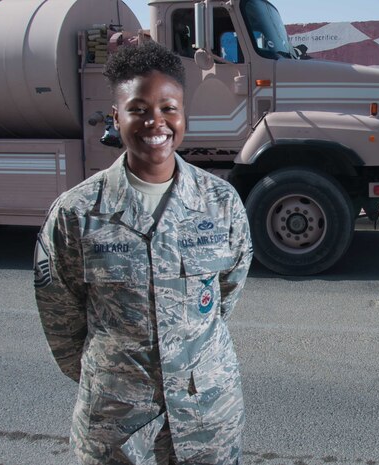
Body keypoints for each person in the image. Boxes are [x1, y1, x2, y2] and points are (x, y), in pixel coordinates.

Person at [33, 41, 252, 465]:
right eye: (139, 108)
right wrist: (115, 376)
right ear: (116, 116)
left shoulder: (220, 203)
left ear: (184, 113)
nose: (157, 121)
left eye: (169, 108)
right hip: (116, 424)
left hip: (207, 418)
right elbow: (61, 319)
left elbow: (225, 295)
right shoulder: (77, 213)